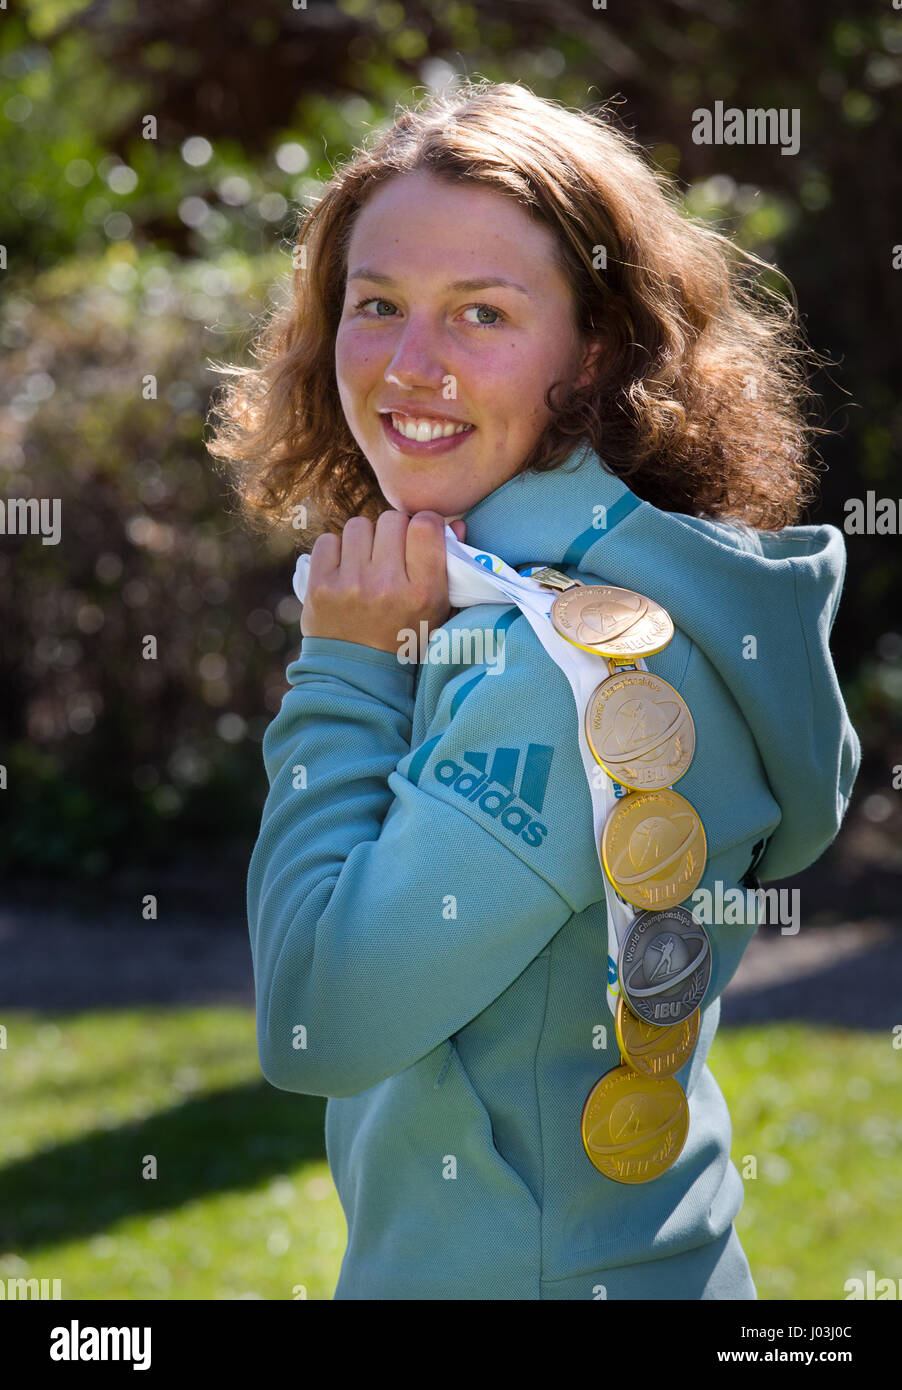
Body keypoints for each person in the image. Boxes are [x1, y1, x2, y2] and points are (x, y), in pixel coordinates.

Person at [206, 80, 860, 1300]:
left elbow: (316, 1023)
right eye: (376, 304)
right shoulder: (572, 592)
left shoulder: (567, 666)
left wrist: (344, 668)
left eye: (481, 313)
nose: (410, 365)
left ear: (596, 349)